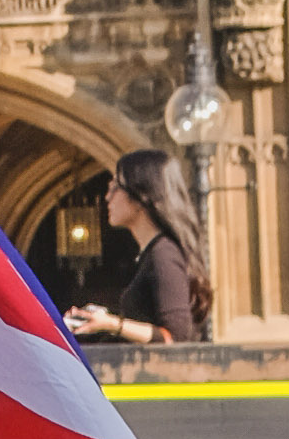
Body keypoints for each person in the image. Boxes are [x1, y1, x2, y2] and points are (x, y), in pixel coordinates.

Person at [63, 146, 212, 349]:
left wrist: (112, 324)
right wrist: (104, 320)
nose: (107, 197)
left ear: (140, 197)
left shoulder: (164, 254)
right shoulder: (152, 253)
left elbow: (176, 337)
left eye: (115, 187)